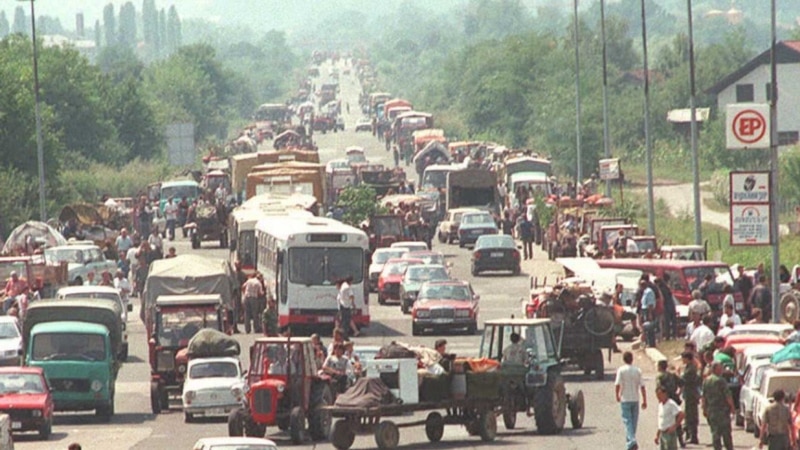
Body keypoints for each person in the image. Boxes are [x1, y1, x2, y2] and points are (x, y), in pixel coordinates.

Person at [615, 351, 647, 450]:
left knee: (627, 421)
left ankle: (632, 441)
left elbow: (617, 384)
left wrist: (617, 395)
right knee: (633, 422)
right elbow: (642, 386)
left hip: (625, 399)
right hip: (635, 399)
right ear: (632, 359)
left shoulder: (621, 370)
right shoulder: (637, 370)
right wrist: (644, 400)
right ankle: (630, 445)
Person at [701, 361, 735, 450]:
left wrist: (704, 408)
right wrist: (732, 407)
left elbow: (704, 397)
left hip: (711, 411)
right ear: (715, 369)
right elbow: (728, 396)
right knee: (726, 433)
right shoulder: (721, 381)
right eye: (720, 368)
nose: (722, 370)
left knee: (715, 433)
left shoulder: (706, 381)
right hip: (722, 411)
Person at [681, 351, 701, 444]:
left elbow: (683, 380)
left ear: (688, 359)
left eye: (683, 358)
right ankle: (690, 435)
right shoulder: (688, 367)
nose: (682, 360)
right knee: (688, 415)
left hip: (691, 395)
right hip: (689, 394)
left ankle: (693, 436)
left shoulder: (691, 369)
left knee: (691, 416)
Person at [655, 385, 684, 450]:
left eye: (660, 395)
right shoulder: (660, 405)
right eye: (657, 395)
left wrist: (675, 426)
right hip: (662, 433)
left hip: (669, 433)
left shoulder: (671, 403)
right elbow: (661, 421)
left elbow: (681, 414)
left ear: (665, 394)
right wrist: (657, 435)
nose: (658, 397)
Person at [657, 275, 678, 340]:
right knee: (673, 321)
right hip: (672, 305)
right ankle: (674, 335)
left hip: (666, 306)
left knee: (667, 322)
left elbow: (662, 299)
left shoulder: (661, 289)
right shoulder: (667, 288)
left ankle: (667, 336)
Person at [639, 279, 657, 348]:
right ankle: (646, 342)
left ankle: (651, 343)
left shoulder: (649, 292)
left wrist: (650, 314)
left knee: (649, 327)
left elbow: (650, 304)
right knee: (645, 327)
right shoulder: (644, 292)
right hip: (644, 310)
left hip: (648, 311)